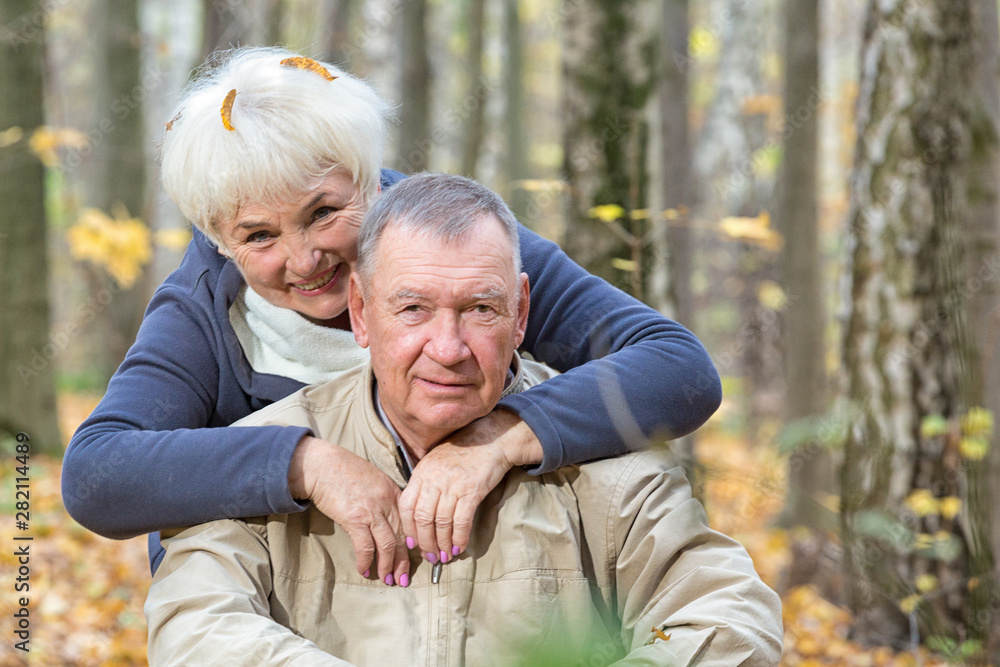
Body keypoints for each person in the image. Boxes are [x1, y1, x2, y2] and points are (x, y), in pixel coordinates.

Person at [61, 47, 723, 587]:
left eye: (324, 212)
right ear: (220, 238)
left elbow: (679, 369)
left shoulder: (454, 245)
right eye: (259, 236)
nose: (304, 256)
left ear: (371, 182)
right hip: (285, 609)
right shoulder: (207, 304)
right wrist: (308, 462)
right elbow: (98, 475)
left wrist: (499, 436)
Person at [144, 173, 783, 666]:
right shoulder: (261, 460)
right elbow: (194, 620)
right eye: (414, 309)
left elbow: (729, 616)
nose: (447, 349)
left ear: (522, 312)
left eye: (480, 308)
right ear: (361, 313)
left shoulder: (605, 462)